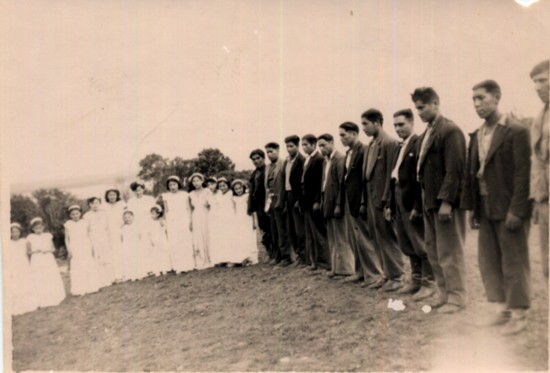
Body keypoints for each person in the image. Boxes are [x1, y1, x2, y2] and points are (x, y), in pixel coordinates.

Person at [463, 80, 531, 335]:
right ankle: (501, 310)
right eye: (474, 100)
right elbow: (474, 174)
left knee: (514, 260)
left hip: (508, 208)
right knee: (489, 260)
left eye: (481, 98)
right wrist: (473, 209)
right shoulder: (478, 134)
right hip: (485, 206)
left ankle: (519, 314)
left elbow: (523, 175)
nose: (477, 104)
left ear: (497, 97)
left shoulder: (516, 131)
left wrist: (517, 210)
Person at [412, 87, 467, 314]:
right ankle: (443, 292)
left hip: (444, 204)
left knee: (449, 251)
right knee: (434, 251)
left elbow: (454, 170)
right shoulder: (426, 134)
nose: (419, 112)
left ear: (435, 103)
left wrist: (447, 201)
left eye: (422, 107)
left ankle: (457, 297)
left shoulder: (450, 130)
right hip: (429, 202)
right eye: (417, 108)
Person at [387, 109, 434, 299]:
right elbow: (394, 178)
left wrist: (417, 206)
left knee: (420, 242)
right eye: (395, 125)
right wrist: (390, 204)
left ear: (411, 123)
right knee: (406, 241)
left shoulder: (418, 142)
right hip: (398, 197)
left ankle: (429, 282)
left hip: (412, 198)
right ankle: (415, 279)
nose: (398, 128)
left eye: (401, 124)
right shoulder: (399, 147)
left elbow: (419, 179)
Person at [361, 109, 404, 292]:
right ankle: (386, 275)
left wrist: (387, 202)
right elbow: (367, 177)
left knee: (388, 237)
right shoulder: (371, 145)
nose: (363, 128)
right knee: (377, 237)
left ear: (377, 122)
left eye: (365, 124)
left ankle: (397, 276)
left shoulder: (389, 143)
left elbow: (389, 175)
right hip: (371, 199)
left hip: (382, 199)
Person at [339, 122, 383, 286]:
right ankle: (360, 271)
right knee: (355, 239)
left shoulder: (363, 150)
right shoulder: (349, 152)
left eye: (344, 135)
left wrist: (364, 202)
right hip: (351, 201)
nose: (341, 138)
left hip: (360, 202)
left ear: (354, 134)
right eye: (340, 135)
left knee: (365, 239)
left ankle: (374, 274)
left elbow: (365, 180)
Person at [317, 134, 354, 278]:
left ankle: (346, 269)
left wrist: (339, 204)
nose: (321, 148)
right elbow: (324, 183)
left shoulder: (339, 158)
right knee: (332, 237)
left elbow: (341, 184)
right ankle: (336, 267)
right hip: (327, 202)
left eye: (324, 145)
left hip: (336, 204)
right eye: (320, 146)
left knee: (341, 237)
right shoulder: (326, 161)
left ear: (332, 143)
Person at [529, 60, 549, 284]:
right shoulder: (539, 118)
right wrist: (536, 197)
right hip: (545, 197)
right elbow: (536, 160)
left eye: (542, 80)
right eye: (535, 82)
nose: (537, 87)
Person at [301, 133, 330, 270]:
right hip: (307, 202)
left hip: (314, 202)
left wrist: (318, 200)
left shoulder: (319, 159)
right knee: (310, 234)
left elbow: (320, 182)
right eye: (302, 145)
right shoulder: (308, 159)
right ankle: (315, 262)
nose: (303, 147)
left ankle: (324, 262)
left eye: (306, 144)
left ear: (313, 145)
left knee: (319, 233)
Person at [26, 217, 66, 308]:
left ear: (43, 227)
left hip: (47, 258)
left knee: (50, 275)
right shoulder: (30, 237)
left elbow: (53, 249)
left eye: (40, 228)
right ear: (32, 229)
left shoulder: (48, 235)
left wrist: (47, 250)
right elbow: (28, 252)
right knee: (40, 277)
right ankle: (42, 298)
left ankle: (54, 295)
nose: (38, 230)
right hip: (36, 259)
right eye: (36, 228)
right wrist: (36, 251)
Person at [264, 142, 291, 266]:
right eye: (267, 152)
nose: (269, 154)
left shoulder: (283, 163)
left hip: (280, 199)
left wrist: (283, 201)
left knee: (282, 230)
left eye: (272, 151)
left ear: (278, 150)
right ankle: (277, 256)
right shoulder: (267, 167)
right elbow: (267, 187)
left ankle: (286, 257)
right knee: (273, 229)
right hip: (270, 200)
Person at [64, 205, 100, 295]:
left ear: (80, 213)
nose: (75, 216)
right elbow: (66, 238)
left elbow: (88, 234)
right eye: (73, 214)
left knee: (88, 264)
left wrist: (91, 246)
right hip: (75, 247)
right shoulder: (68, 224)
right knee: (77, 266)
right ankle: (79, 288)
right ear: (70, 215)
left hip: (85, 245)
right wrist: (69, 250)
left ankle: (92, 286)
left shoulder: (85, 222)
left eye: (77, 213)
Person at [161, 175, 194, 273]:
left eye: (174, 184)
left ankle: (188, 264)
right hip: (172, 220)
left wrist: (191, 221)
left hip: (183, 219)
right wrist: (165, 223)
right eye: (170, 185)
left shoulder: (184, 194)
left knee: (185, 240)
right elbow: (166, 211)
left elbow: (188, 208)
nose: (172, 187)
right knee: (175, 242)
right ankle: (177, 265)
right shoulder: (166, 196)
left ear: (178, 184)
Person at [282, 135, 306, 266]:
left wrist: (299, 199)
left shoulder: (301, 160)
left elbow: (302, 182)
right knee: (291, 227)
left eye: (291, 146)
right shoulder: (287, 161)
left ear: (297, 146)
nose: (289, 149)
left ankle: (304, 256)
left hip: (296, 196)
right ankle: (298, 254)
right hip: (287, 195)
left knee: (300, 228)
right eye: (287, 146)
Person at [247, 149, 272, 263]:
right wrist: (251, 207)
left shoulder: (268, 170)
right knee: (263, 228)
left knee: (272, 228)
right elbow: (252, 191)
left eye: (258, 158)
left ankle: (278, 254)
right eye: (254, 159)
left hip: (267, 203)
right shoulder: (254, 173)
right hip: (258, 206)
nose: (256, 161)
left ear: (263, 158)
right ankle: (270, 253)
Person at [84, 197, 114, 287]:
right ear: (89, 205)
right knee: (98, 258)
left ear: (99, 204)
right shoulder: (86, 216)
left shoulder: (105, 213)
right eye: (92, 203)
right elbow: (87, 230)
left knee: (107, 257)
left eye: (96, 203)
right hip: (94, 237)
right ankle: (101, 280)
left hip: (104, 236)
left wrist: (109, 238)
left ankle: (110, 278)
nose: (95, 205)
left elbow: (108, 227)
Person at [9, 222, 38, 315]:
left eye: (17, 232)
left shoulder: (24, 241)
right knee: (17, 284)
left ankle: (31, 304)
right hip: (14, 265)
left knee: (27, 282)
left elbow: (29, 253)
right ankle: (19, 306)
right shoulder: (7, 243)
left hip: (24, 264)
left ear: (20, 232)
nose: (15, 234)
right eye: (12, 232)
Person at [209, 177, 237, 266]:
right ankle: (223, 259)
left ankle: (232, 259)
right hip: (221, 218)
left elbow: (235, 206)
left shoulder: (231, 193)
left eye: (224, 185)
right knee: (223, 239)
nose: (222, 188)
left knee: (231, 238)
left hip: (230, 217)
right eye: (220, 186)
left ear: (228, 185)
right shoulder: (218, 195)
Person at [189, 173, 213, 270]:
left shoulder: (207, 191)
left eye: (198, 180)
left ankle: (210, 258)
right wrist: (190, 221)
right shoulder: (190, 194)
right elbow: (190, 208)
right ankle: (201, 260)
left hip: (206, 214)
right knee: (198, 236)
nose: (196, 183)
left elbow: (211, 204)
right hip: (196, 216)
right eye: (194, 181)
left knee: (207, 234)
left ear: (202, 181)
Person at [232, 179, 259, 265]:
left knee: (250, 237)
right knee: (242, 238)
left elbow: (252, 210)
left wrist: (254, 221)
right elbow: (234, 210)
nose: (238, 190)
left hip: (247, 218)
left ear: (243, 188)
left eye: (240, 188)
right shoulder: (234, 198)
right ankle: (244, 257)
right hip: (239, 220)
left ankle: (252, 258)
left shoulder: (247, 196)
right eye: (236, 189)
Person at [104, 188, 126, 282]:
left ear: (117, 195)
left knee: (123, 251)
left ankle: (126, 273)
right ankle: (117, 275)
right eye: (110, 195)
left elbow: (126, 216)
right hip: (110, 231)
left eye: (114, 195)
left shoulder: (122, 204)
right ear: (107, 197)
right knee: (114, 253)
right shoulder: (104, 207)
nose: (112, 197)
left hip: (122, 229)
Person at [147, 205, 172, 276]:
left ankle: (164, 268)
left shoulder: (161, 221)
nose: (152, 215)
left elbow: (164, 228)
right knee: (156, 254)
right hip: (154, 239)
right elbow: (149, 232)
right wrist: (151, 240)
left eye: (153, 213)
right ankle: (157, 270)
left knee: (163, 253)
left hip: (161, 239)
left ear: (158, 214)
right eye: (151, 213)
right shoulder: (149, 222)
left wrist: (161, 221)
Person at [120, 210, 141, 281]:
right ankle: (130, 274)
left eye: (129, 217)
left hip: (135, 244)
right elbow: (122, 237)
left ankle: (138, 273)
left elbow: (139, 235)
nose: (127, 219)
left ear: (133, 217)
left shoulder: (136, 225)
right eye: (125, 218)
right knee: (129, 259)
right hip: (127, 245)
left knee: (137, 258)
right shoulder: (123, 227)